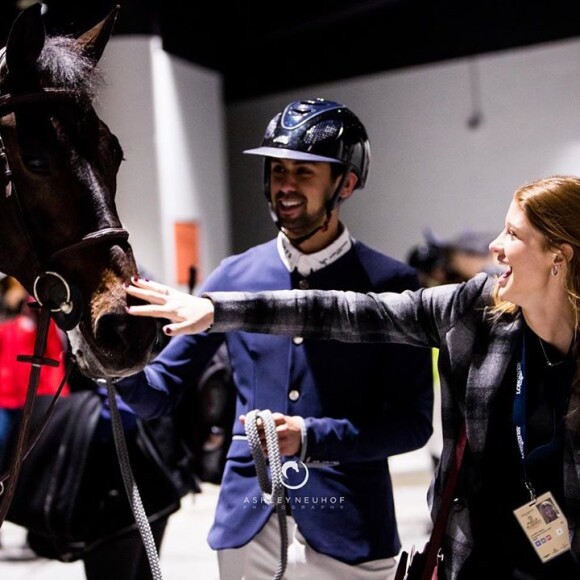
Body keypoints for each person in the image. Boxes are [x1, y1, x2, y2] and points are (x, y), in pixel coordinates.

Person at [123, 173, 580, 579]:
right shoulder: (477, 310)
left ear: (558, 258)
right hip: (479, 556)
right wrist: (216, 308)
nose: (493, 246)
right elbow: (345, 312)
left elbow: (410, 423)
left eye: (513, 234)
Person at [117, 97, 433, 580]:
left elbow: (412, 425)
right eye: (277, 169)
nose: (284, 185)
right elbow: (159, 392)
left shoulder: (392, 285)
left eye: (304, 172)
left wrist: (310, 437)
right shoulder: (234, 275)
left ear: (345, 182)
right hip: (248, 526)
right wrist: (109, 352)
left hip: (349, 530)